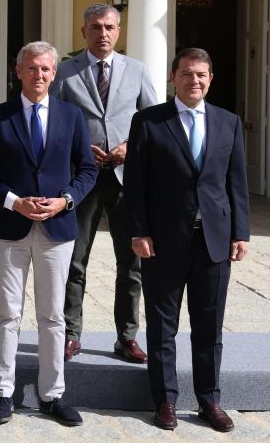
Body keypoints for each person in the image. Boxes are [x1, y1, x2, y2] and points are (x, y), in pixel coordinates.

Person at [0, 41, 97, 427]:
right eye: (31, 68)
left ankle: (53, 394)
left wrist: (65, 201)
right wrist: (13, 201)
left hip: (57, 229)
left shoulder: (71, 115)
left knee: (52, 315)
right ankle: (2, 392)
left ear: (53, 74)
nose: (38, 75)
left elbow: (87, 169)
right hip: (7, 229)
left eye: (45, 69)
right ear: (18, 71)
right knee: (7, 313)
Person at [124, 48, 249, 433]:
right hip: (162, 241)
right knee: (162, 324)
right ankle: (165, 400)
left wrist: (241, 232)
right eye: (186, 74)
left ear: (210, 79)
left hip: (214, 240)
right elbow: (135, 183)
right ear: (173, 77)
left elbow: (237, 182)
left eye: (201, 74)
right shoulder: (148, 121)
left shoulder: (228, 122)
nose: (194, 80)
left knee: (209, 325)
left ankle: (209, 399)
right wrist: (138, 231)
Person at [54, 3, 158, 364]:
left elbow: (152, 121)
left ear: (119, 31)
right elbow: (53, 122)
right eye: (96, 27)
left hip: (126, 180)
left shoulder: (137, 70)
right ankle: (70, 334)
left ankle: (127, 337)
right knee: (74, 261)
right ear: (84, 31)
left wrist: (131, 145)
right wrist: (79, 147)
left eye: (109, 27)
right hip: (81, 179)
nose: (103, 33)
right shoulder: (65, 72)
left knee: (130, 263)